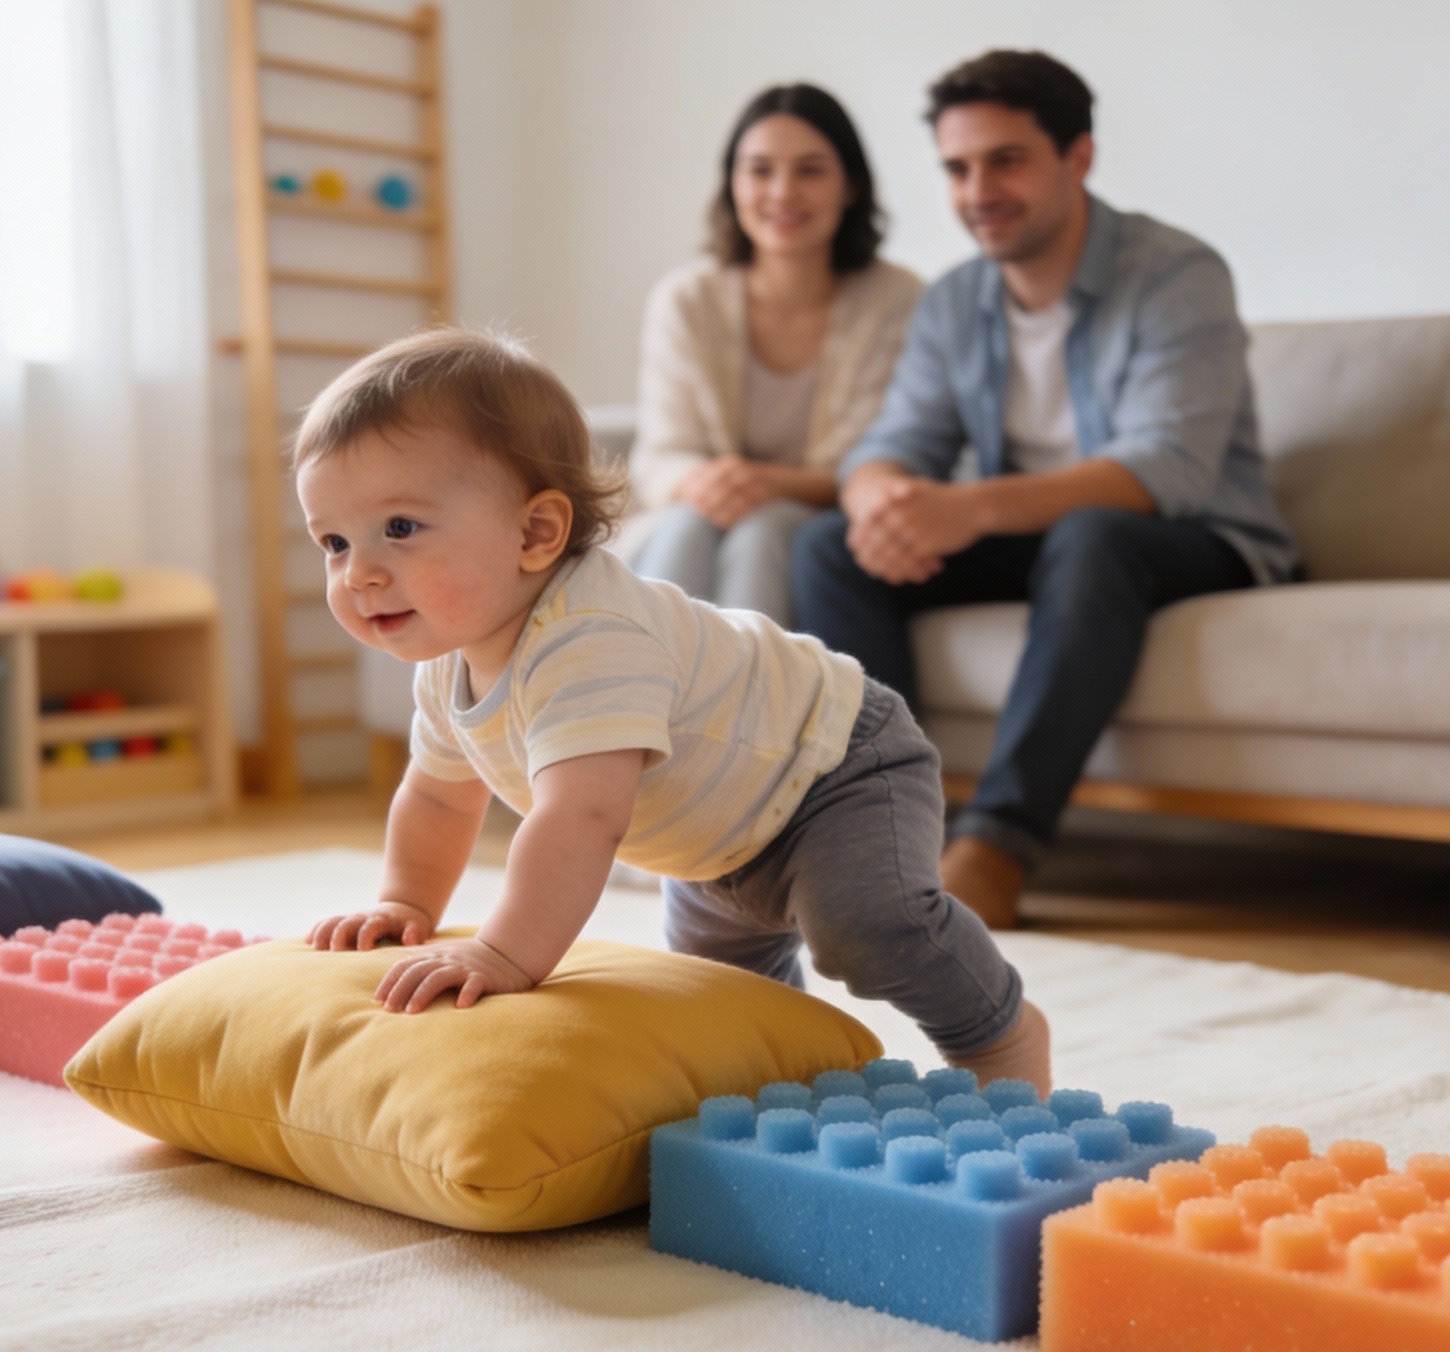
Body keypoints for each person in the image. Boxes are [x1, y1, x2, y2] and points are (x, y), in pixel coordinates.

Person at [297, 328, 1051, 1090]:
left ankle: (998, 1033)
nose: (358, 573)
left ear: (535, 533)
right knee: (724, 1008)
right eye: (333, 542)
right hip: (711, 832)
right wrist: (404, 901)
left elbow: (582, 818)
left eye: (399, 529)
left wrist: (503, 953)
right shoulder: (447, 656)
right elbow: (435, 794)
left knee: (866, 932)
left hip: (832, 766)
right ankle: (794, 1076)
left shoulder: (589, 639)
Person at [792, 51, 1298, 929]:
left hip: (1195, 536)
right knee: (828, 546)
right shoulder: (954, 302)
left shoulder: (1176, 275)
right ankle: (881, 836)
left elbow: (1162, 471)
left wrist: (965, 508)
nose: (978, 189)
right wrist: (882, 501)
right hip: (1047, 539)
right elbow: (890, 445)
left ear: (1079, 157)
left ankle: (997, 845)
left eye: (1006, 160)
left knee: (1093, 533)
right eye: (957, 168)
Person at [628, 84, 923, 626]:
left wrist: (768, 485)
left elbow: (881, 456)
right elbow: (663, 455)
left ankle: (751, 707)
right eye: (760, 170)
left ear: (850, 185)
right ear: (733, 184)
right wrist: (708, 484)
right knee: (686, 524)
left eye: (810, 170)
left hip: (819, 520)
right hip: (702, 513)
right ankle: (628, 699)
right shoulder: (686, 299)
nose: (782, 191)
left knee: (766, 528)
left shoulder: (898, 301)